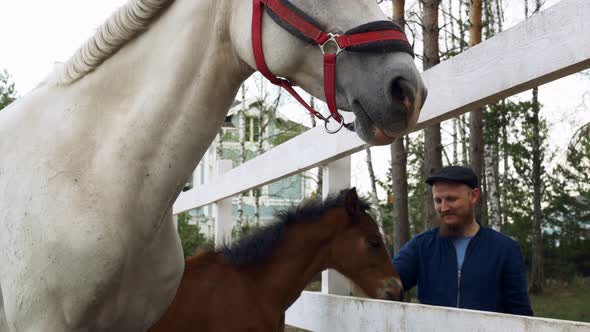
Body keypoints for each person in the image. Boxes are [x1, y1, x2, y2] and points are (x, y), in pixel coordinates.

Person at [392, 165, 533, 315]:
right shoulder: (421, 247)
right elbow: (385, 285)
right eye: (438, 200)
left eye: (451, 199)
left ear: (473, 196)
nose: (444, 207)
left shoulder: (505, 249)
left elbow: (521, 314)